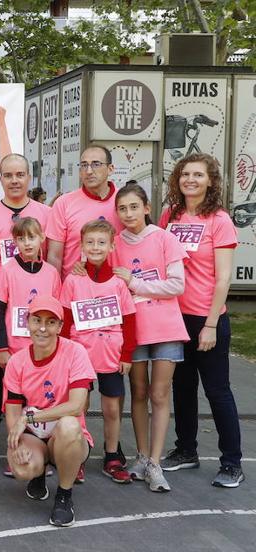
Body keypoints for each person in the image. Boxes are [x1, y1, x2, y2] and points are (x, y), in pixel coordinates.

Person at [158, 153, 245, 488]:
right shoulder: (171, 215)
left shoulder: (219, 220)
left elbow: (223, 279)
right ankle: (186, 450)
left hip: (206, 320)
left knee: (217, 391)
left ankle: (232, 462)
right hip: (174, 319)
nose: (190, 180)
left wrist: (210, 324)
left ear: (210, 180)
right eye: (184, 174)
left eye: (198, 175)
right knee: (182, 387)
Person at [0, 156, 51, 457]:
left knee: (39, 369)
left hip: (39, 309)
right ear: (1, 180)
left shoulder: (46, 213)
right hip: (2, 304)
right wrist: (7, 280)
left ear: (29, 176)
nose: (15, 180)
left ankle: (39, 429)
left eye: (20, 174)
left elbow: (54, 256)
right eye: (8, 175)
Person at [111, 183, 186, 492]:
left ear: (146, 207)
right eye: (122, 209)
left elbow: (177, 285)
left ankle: (155, 462)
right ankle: (141, 457)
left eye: (133, 207)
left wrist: (136, 283)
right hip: (135, 329)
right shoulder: (115, 243)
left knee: (159, 394)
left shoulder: (165, 238)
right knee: (138, 392)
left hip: (166, 327)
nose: (128, 213)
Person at [4, 295, 95, 527]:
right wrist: (18, 443)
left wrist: (30, 416)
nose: (43, 328)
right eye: (37, 320)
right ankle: (38, 472)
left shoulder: (76, 352)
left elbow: (76, 406)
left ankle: (64, 495)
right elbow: (13, 412)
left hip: (66, 435)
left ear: (60, 327)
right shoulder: (17, 362)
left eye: (51, 322)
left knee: (69, 424)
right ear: (28, 322)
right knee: (22, 467)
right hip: (34, 435)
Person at [60, 219, 137, 484]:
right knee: (78, 408)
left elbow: (130, 320)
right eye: (90, 242)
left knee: (112, 409)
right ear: (81, 246)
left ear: (112, 246)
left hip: (111, 357)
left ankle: (112, 455)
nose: (95, 247)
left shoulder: (117, 283)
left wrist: (127, 354)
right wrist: (62, 354)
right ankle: (77, 455)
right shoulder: (73, 280)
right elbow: (65, 320)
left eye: (101, 242)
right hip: (79, 356)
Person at [0, 216, 61, 469]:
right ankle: (15, 450)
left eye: (32, 237)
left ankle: (50, 451)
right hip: (15, 352)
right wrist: (1, 348)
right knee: (15, 403)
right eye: (21, 238)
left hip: (43, 350)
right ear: (15, 242)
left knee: (43, 401)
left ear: (42, 237)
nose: (27, 242)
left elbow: (57, 314)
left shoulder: (52, 274)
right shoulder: (8, 270)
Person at [46, 145, 122, 275]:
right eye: (84, 165)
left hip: (117, 289)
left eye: (96, 164)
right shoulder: (64, 203)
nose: (89, 171)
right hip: (76, 289)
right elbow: (54, 256)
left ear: (110, 169)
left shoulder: (124, 202)